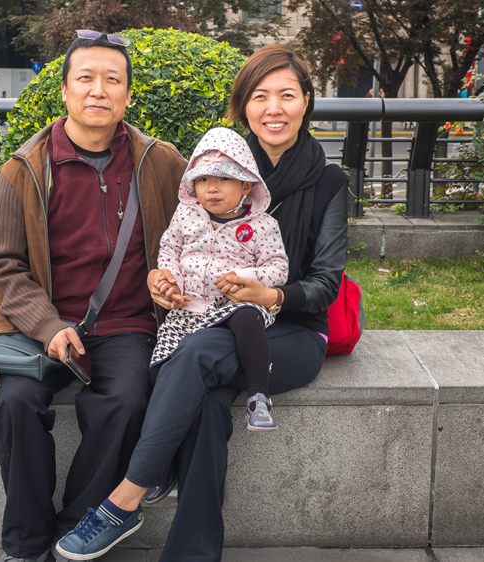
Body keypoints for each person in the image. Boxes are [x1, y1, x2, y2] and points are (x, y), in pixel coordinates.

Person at [54, 44, 349, 560]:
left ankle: (124, 499)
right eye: (260, 96)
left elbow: (327, 280)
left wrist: (272, 294)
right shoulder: (212, 172)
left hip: (294, 331)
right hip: (210, 327)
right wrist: (159, 283)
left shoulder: (329, 181)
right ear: (243, 106)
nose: (273, 108)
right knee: (207, 399)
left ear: (307, 102)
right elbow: (174, 247)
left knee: (197, 355)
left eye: (287, 95)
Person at [0, 30, 183, 562]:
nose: (99, 90)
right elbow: (1, 266)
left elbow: (200, 231)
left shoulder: (160, 163)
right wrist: (47, 326)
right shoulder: (22, 170)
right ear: (65, 91)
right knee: (16, 407)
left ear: (129, 95)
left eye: (112, 80)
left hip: (128, 326)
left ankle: (75, 532)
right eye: (86, 78)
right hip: (41, 326)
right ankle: (25, 545)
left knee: (124, 402)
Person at [147, 126, 287, 434]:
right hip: (188, 308)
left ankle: (258, 398)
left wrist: (244, 279)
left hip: (234, 304)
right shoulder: (186, 217)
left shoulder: (262, 226)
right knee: (160, 369)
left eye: (224, 179)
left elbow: (278, 268)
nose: (212, 188)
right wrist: (171, 281)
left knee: (248, 321)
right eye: (203, 179)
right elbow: (169, 250)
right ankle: (171, 428)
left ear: (247, 184)